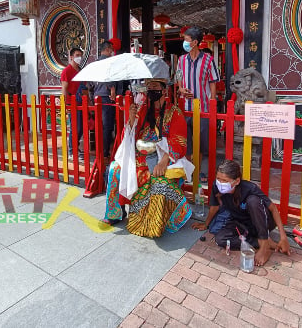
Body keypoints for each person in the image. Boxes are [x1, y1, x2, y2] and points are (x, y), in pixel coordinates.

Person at [103, 78, 193, 238]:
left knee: (158, 181)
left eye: (155, 86)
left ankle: (153, 220)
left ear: (164, 90)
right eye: (149, 87)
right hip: (140, 156)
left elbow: (179, 142)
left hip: (163, 159)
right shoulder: (142, 110)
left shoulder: (174, 113)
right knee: (115, 168)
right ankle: (116, 213)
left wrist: (163, 161)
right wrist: (131, 119)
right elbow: (128, 138)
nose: (151, 89)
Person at [192, 159, 289, 266]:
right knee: (220, 238)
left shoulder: (250, 188)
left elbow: (273, 209)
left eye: (225, 180)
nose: (220, 183)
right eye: (218, 179)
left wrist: (283, 237)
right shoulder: (216, 186)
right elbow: (214, 206)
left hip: (261, 222)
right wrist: (206, 224)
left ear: (237, 181)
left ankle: (264, 245)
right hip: (241, 223)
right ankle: (258, 242)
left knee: (253, 201)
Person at [176, 27, 219, 173]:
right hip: (186, 108)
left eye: (186, 40)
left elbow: (213, 82)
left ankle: (202, 170)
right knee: (186, 142)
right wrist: (181, 89)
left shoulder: (208, 60)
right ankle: (188, 170)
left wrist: (212, 101)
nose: (184, 42)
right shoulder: (181, 60)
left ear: (195, 42)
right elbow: (179, 79)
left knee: (202, 142)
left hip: (203, 108)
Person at [91, 41, 117, 160]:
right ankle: (105, 152)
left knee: (99, 125)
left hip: (97, 96)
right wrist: (111, 88)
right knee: (107, 126)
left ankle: (99, 150)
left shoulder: (95, 63)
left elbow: (90, 83)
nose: (112, 52)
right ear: (107, 49)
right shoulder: (108, 62)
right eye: (111, 49)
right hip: (106, 97)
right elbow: (108, 76)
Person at [60, 47, 84, 158]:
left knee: (81, 127)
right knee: (75, 127)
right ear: (71, 57)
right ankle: (71, 151)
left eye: (80, 55)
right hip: (71, 103)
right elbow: (64, 88)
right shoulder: (67, 71)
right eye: (77, 55)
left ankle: (75, 147)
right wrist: (65, 104)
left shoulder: (80, 70)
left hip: (81, 102)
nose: (79, 57)